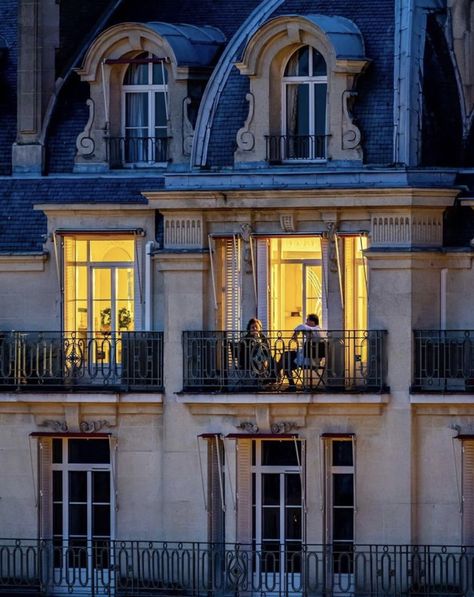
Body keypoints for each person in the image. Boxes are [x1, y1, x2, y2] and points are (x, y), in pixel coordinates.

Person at [281, 314, 322, 389]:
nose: (306, 322)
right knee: (285, 359)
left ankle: (276, 375)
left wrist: (296, 332)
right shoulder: (316, 331)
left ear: (312, 322)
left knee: (285, 359)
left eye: (307, 320)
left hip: (308, 360)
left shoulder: (316, 330)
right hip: (308, 357)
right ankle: (277, 373)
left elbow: (302, 326)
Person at [237, 318, 276, 385]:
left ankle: (271, 379)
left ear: (259, 329)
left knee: (272, 360)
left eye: (256, 327)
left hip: (262, 359)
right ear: (249, 329)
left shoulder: (263, 337)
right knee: (258, 360)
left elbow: (267, 351)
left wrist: (259, 341)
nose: (255, 329)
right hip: (248, 360)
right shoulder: (245, 339)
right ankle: (261, 381)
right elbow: (244, 353)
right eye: (252, 327)